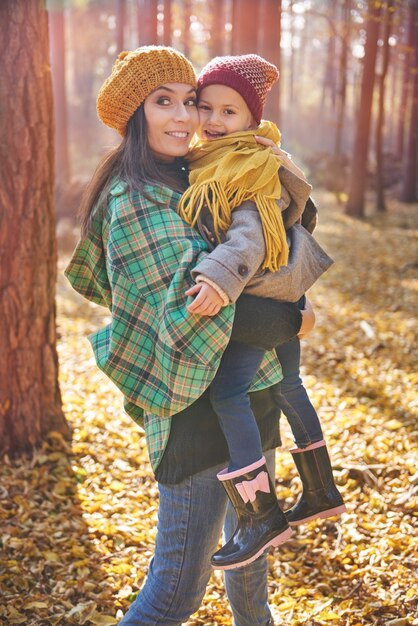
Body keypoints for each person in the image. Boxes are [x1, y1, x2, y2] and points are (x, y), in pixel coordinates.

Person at [65, 46, 314, 626]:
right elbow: (191, 311)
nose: (184, 117)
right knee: (175, 594)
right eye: (163, 102)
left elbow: (274, 245)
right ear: (136, 115)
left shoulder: (203, 172)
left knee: (252, 573)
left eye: (190, 101)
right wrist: (292, 319)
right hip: (193, 413)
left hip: (252, 393)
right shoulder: (134, 197)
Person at [178, 54, 346, 570]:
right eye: (206, 107)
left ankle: (259, 515)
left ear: (250, 119)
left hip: (256, 295)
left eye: (229, 112)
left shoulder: (247, 165)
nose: (213, 120)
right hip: (281, 297)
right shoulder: (225, 157)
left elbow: (249, 238)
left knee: (231, 395)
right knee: (289, 385)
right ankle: (321, 491)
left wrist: (217, 277)